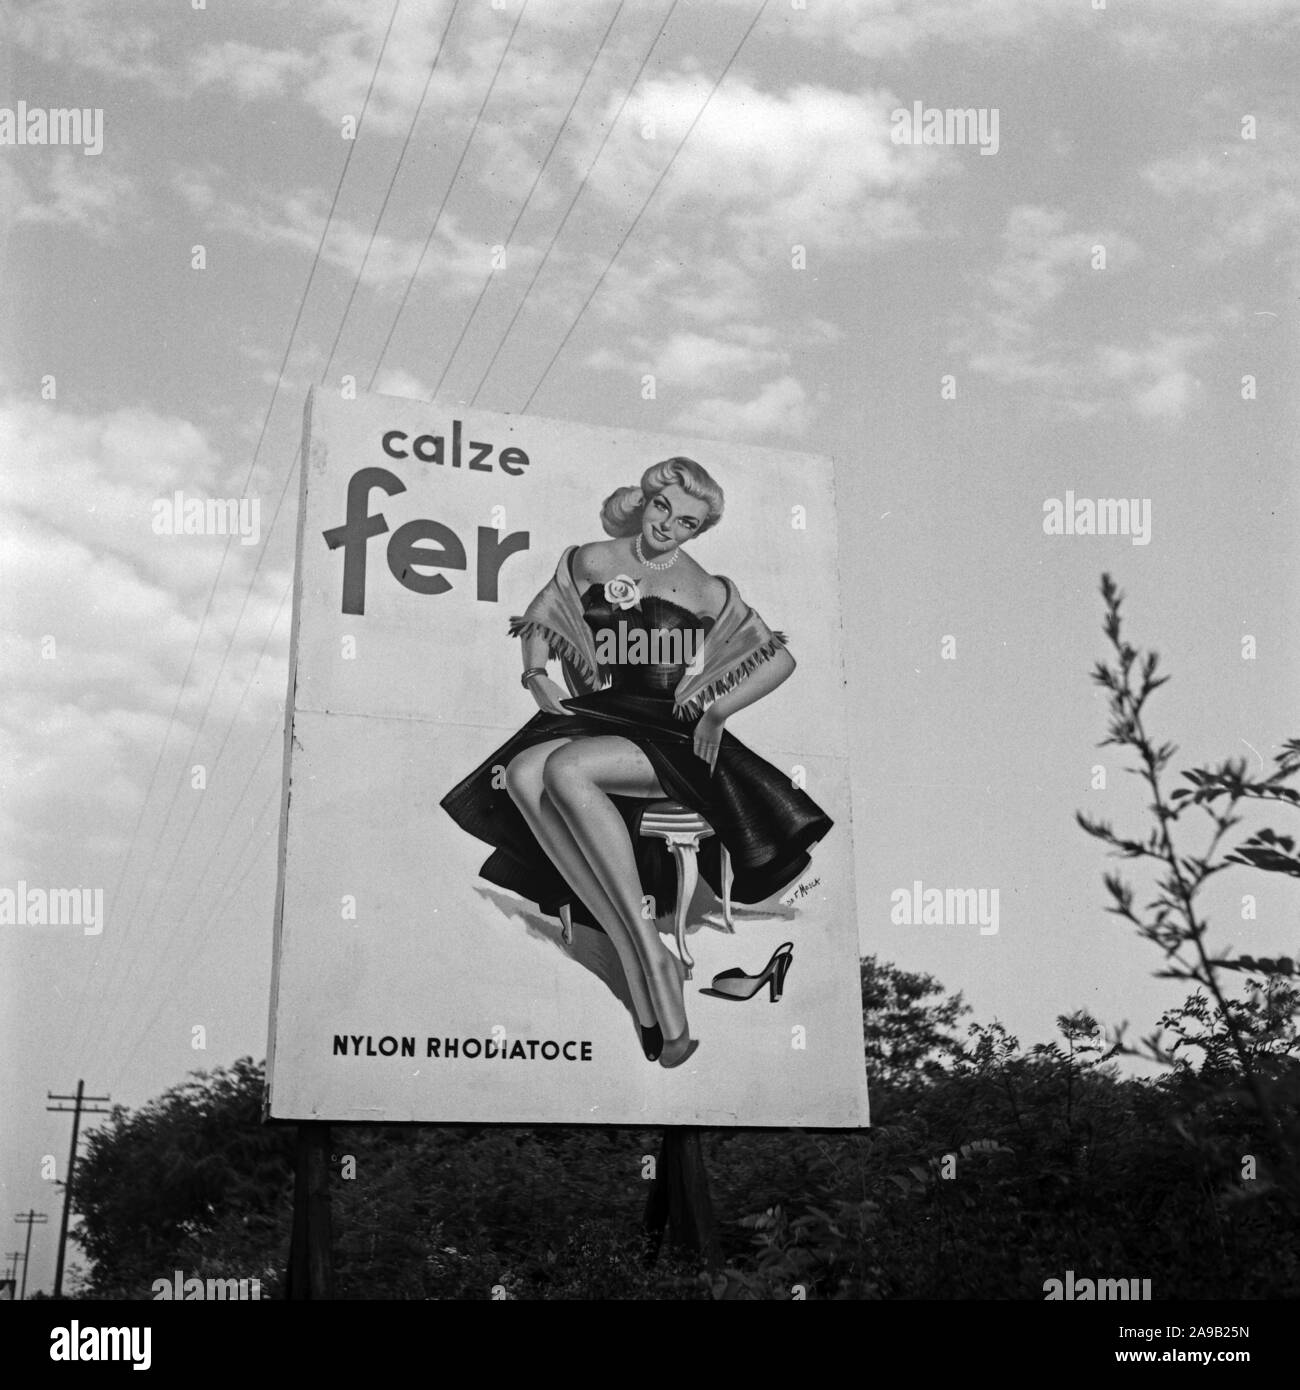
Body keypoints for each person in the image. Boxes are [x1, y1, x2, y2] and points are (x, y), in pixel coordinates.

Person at [440, 456, 832, 1068]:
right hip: (599, 714)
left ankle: (646, 951)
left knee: (567, 769)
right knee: (522, 775)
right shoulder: (591, 559)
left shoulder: (706, 587)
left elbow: (777, 660)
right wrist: (535, 674)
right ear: (646, 499)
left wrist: (715, 711)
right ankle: (638, 948)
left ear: (699, 532)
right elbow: (544, 620)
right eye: (662, 508)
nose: (668, 526)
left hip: (673, 736)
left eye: (687, 522)